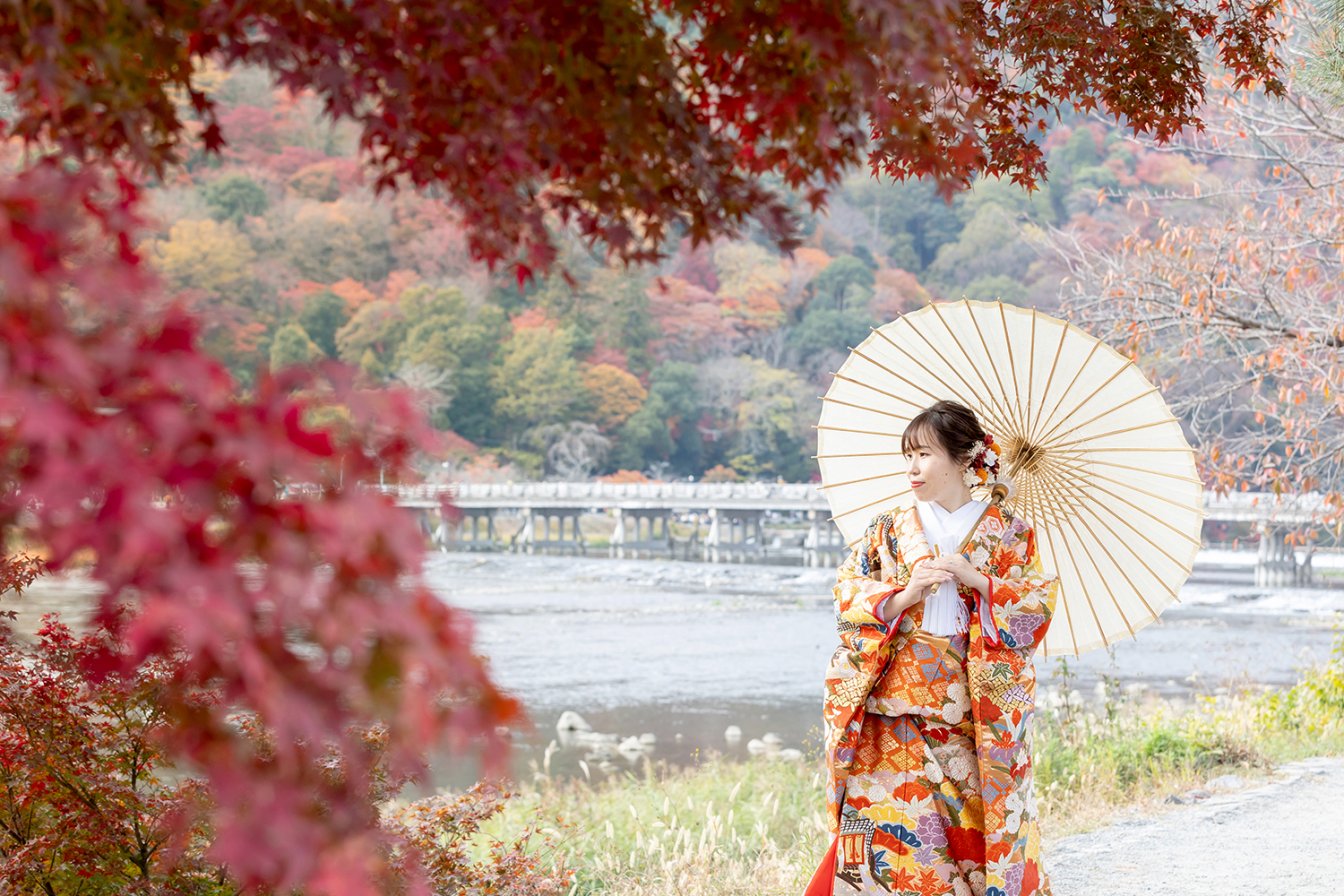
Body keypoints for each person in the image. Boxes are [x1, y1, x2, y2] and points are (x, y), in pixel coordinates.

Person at [813, 400, 1058, 896]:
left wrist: (982, 582)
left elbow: (1034, 608)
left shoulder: (1010, 532)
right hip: (890, 712)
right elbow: (846, 595)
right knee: (884, 833)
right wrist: (905, 594)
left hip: (967, 716)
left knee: (968, 836)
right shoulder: (889, 528)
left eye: (923, 454)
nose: (912, 468)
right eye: (908, 456)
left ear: (964, 459)